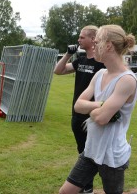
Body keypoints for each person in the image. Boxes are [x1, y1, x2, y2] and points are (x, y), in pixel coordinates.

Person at [59, 25, 137, 194]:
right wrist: (100, 105)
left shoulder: (127, 80)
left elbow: (101, 119)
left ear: (108, 45)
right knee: (65, 192)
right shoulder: (99, 74)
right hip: (91, 149)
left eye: (96, 42)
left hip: (112, 156)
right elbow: (77, 105)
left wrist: (95, 110)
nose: (93, 46)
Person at [54, 25, 105, 193]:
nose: (78, 40)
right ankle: (86, 186)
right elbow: (58, 71)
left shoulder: (101, 63)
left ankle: (88, 187)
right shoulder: (80, 60)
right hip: (77, 114)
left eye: (82, 37)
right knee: (82, 150)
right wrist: (68, 54)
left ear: (92, 39)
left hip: (92, 115)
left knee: (90, 153)